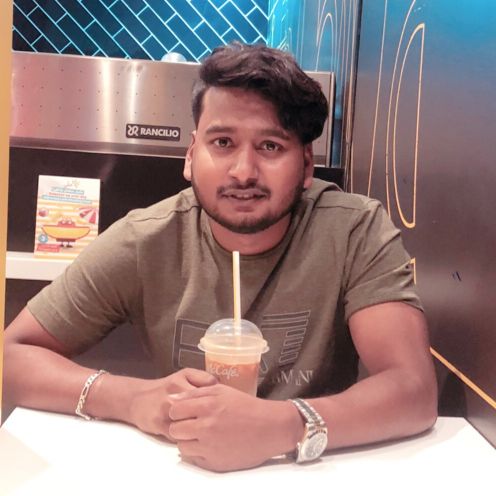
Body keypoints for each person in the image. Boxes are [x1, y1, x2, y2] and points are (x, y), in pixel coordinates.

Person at [3, 42, 437, 472]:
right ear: (192, 154)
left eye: (271, 146)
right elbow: (12, 355)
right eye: (223, 142)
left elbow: (413, 388)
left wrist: (283, 426)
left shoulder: (353, 230)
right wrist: (131, 399)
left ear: (307, 165)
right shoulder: (145, 239)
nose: (243, 172)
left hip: (320, 473)